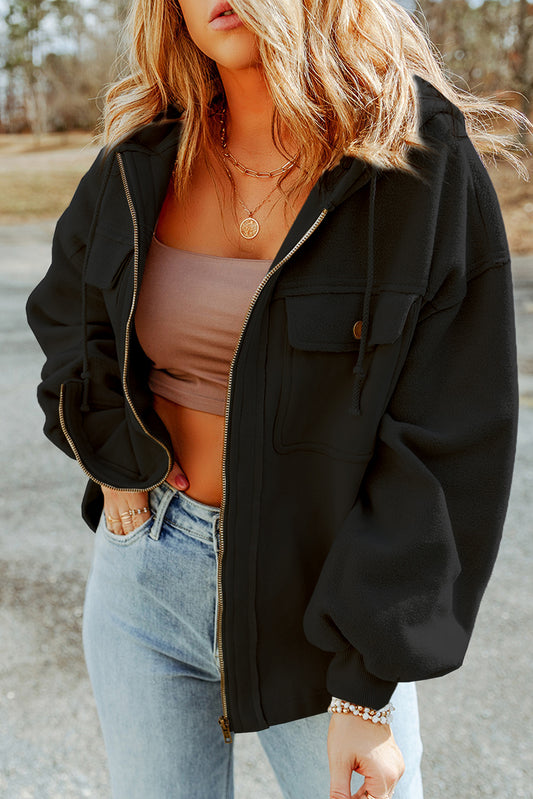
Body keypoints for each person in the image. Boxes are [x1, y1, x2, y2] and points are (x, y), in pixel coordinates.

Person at [26, 0, 530, 797]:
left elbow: (448, 432)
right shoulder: (149, 154)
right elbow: (69, 313)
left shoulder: (414, 158)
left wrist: (368, 679)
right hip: (146, 579)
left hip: (324, 604)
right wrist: (114, 455)